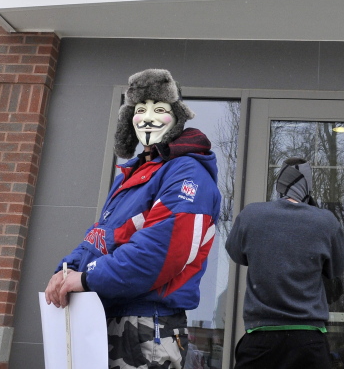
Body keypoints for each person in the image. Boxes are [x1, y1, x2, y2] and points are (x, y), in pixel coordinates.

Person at [45, 69, 222, 369]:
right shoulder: (134, 173)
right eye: (140, 109)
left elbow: (159, 253)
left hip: (145, 328)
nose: (148, 117)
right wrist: (65, 270)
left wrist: (86, 278)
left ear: (176, 116)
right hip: (104, 319)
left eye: (159, 109)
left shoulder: (187, 173)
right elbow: (100, 236)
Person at [225, 157, 344, 369]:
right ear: (308, 185)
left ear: (279, 183)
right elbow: (337, 269)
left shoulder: (250, 216)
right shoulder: (325, 221)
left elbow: (237, 254)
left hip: (260, 338)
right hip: (308, 340)